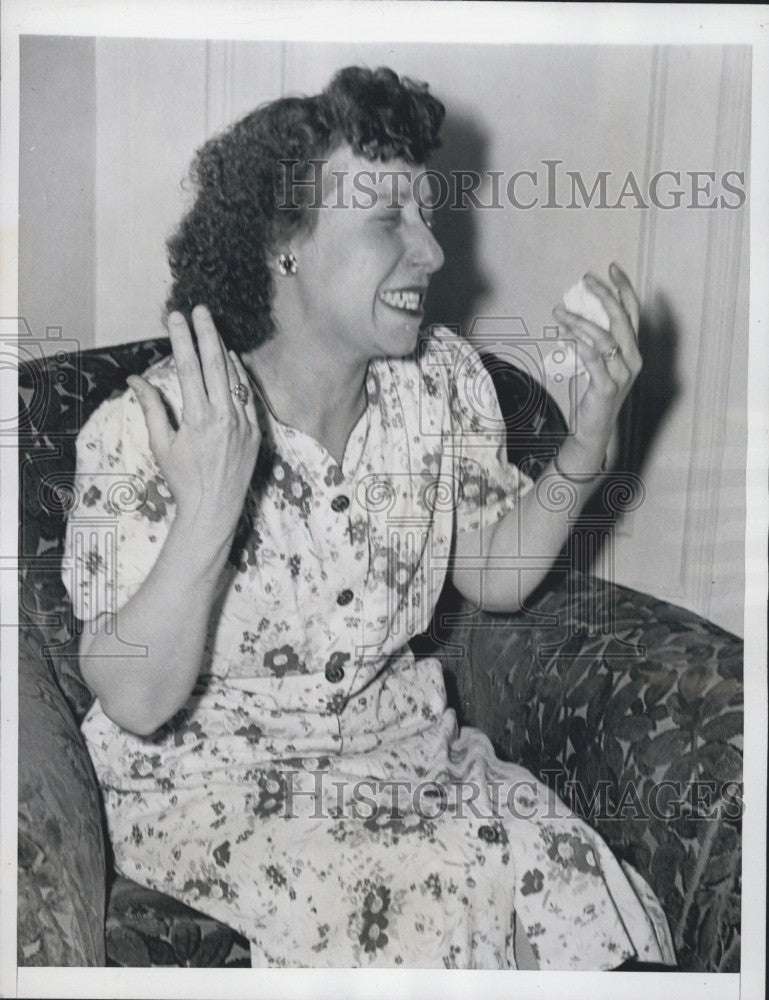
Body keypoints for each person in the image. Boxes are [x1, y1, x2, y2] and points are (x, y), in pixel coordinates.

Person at [64, 66, 675, 969]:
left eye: (425, 215)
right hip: (216, 788)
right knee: (430, 901)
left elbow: (492, 577)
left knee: (566, 864)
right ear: (285, 248)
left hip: (398, 753)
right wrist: (210, 508)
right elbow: (138, 699)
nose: (430, 252)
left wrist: (588, 448)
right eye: (390, 219)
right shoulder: (151, 427)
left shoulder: (438, 384)